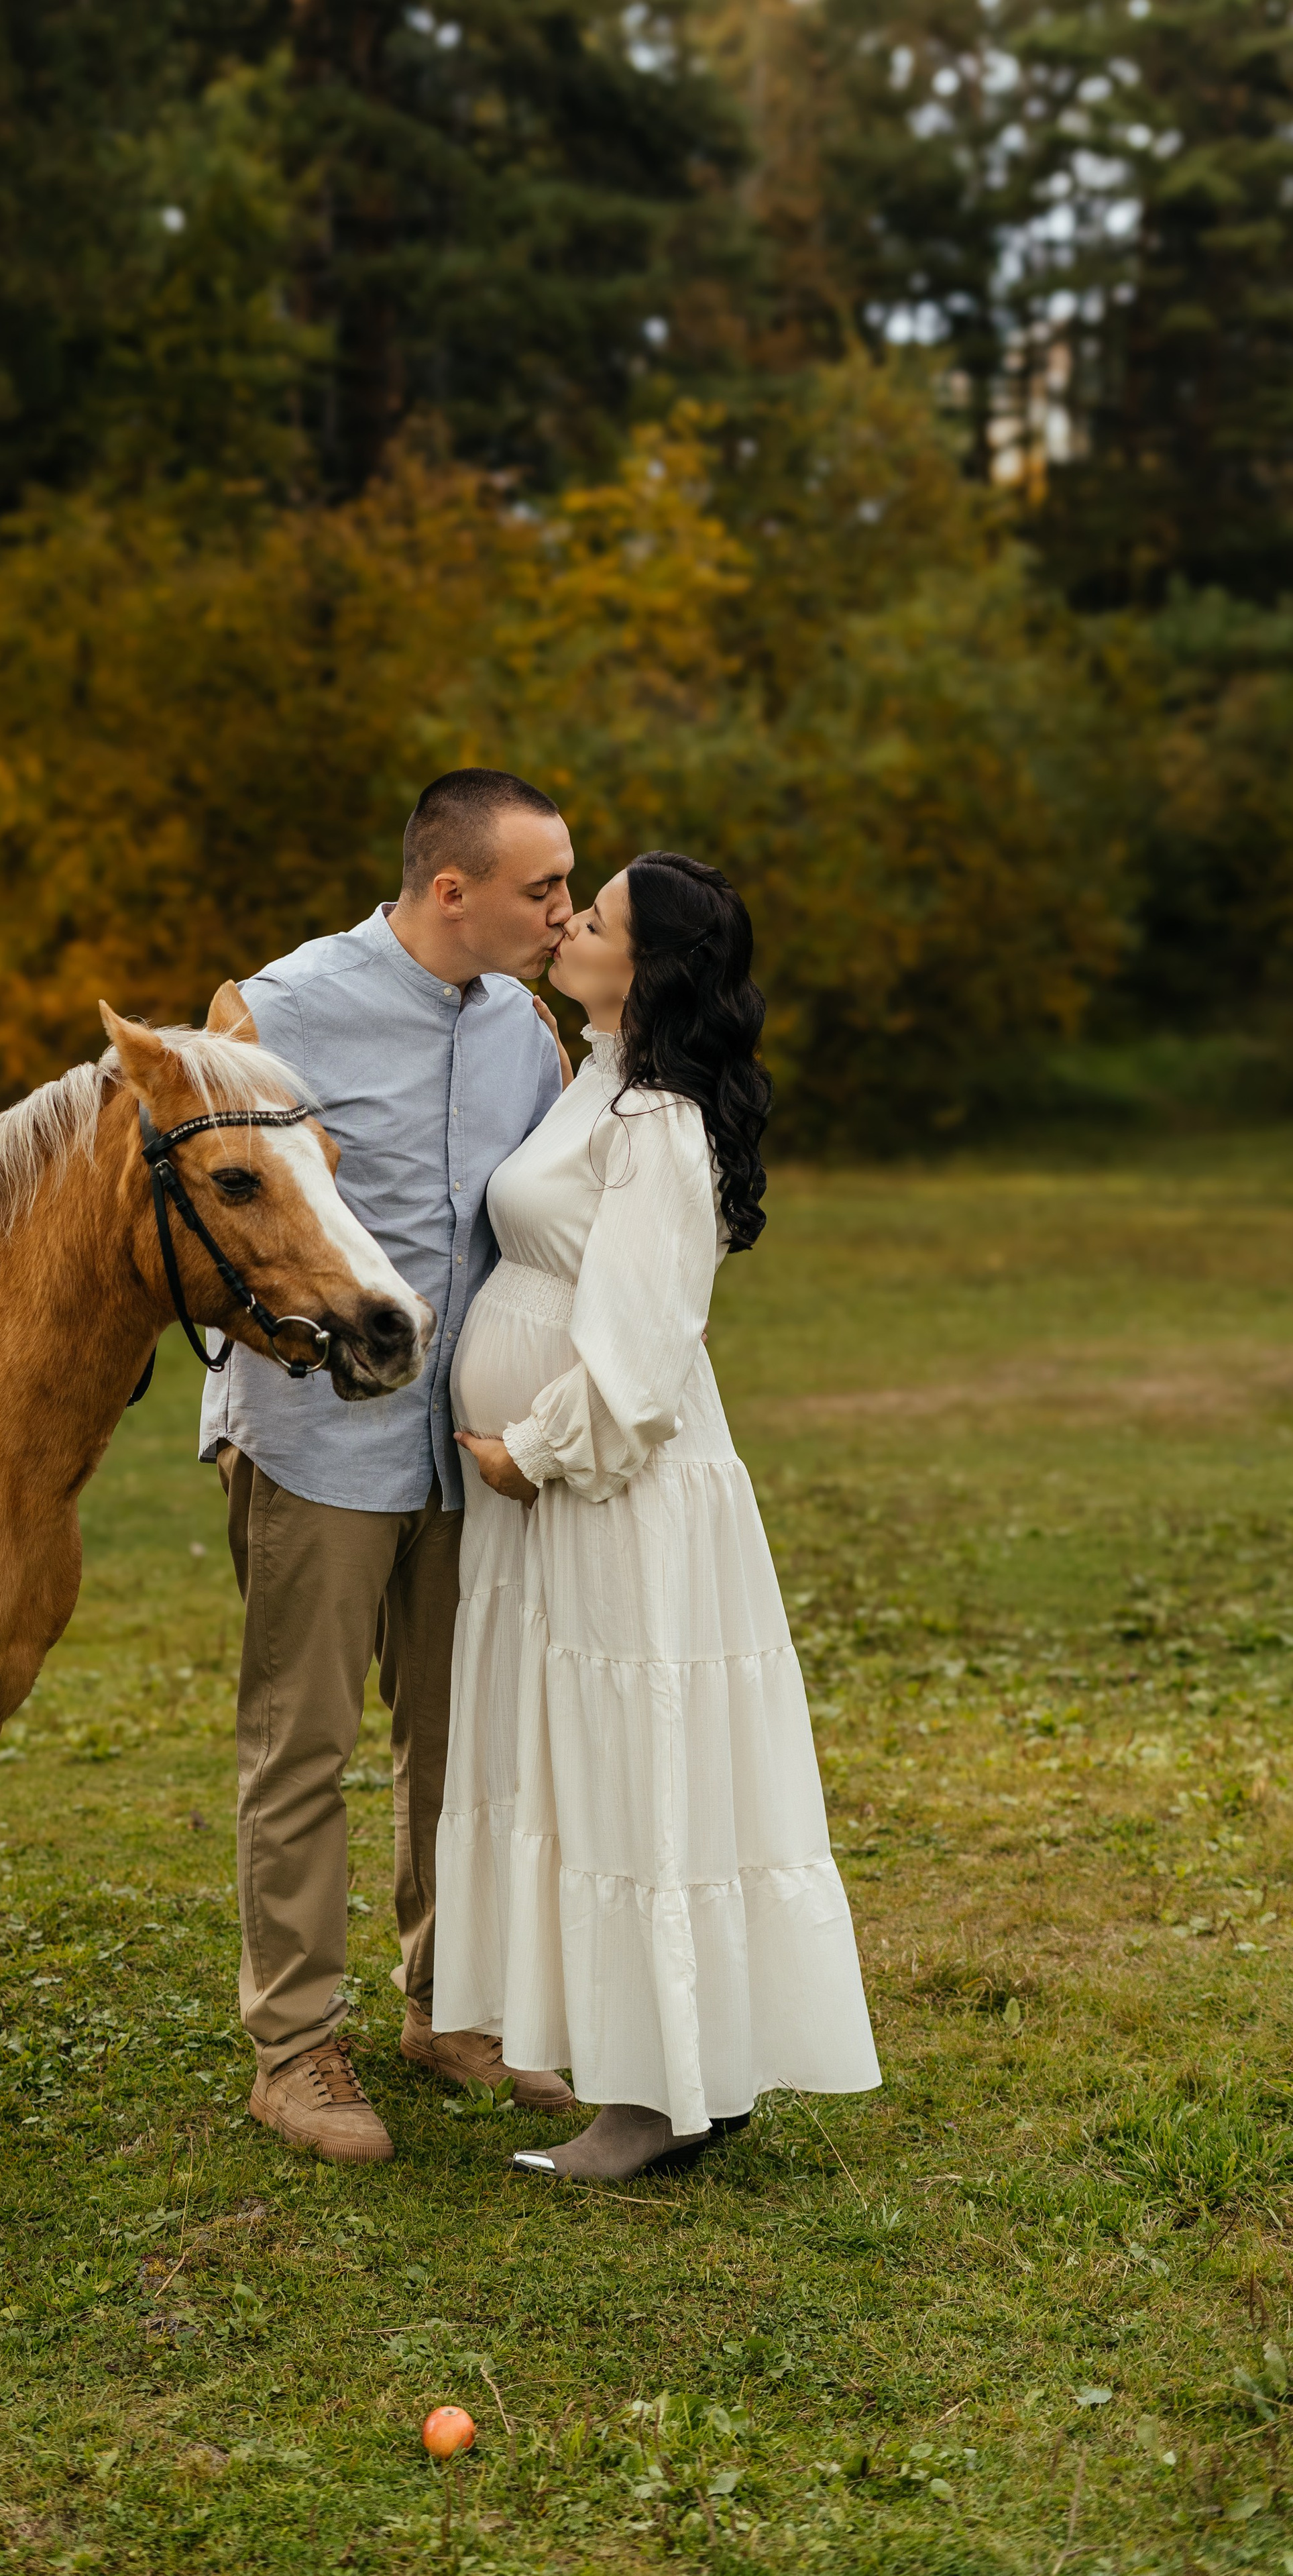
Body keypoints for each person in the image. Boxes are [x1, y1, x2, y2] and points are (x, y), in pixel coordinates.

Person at [433, 851, 881, 2180]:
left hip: (607, 1493)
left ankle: (654, 2109)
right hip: (563, 1503)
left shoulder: (660, 1126)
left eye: (597, 918)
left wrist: (527, 1450)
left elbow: (635, 1356)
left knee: (639, 1783)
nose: (568, 924)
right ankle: (679, 2070)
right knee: (598, 1776)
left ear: (652, 968)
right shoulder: (602, 1080)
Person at [201, 769, 582, 2163]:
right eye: (542, 888)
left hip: (470, 1455)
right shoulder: (274, 1012)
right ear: (450, 891)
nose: (562, 909)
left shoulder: (522, 1031)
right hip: (315, 1441)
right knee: (303, 1746)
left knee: (460, 1740)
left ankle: (451, 2009)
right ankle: (294, 2050)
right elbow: (192, 1203)